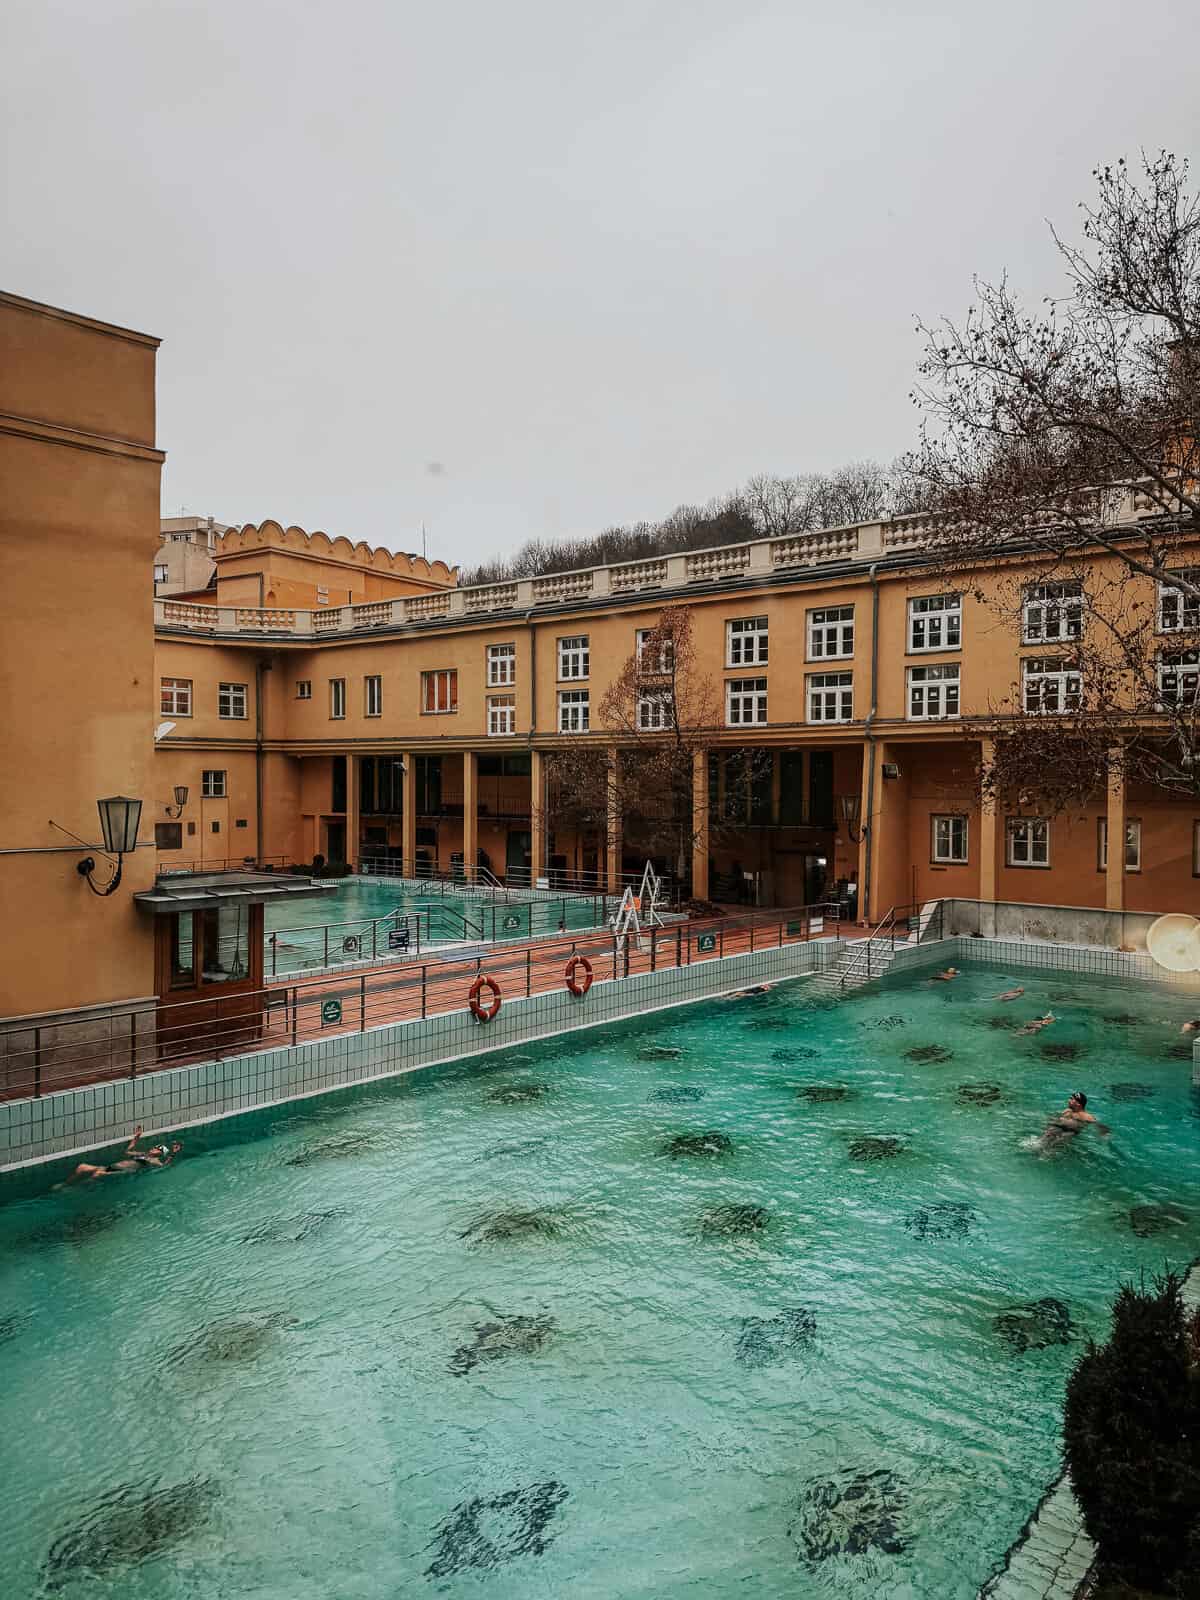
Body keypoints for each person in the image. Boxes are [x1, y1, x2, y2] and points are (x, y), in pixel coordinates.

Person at [68, 1126, 181, 1183]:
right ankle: (66, 1185)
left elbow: (164, 1166)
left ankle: (77, 1188)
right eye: (155, 1147)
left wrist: (173, 1154)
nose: (153, 1149)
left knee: (97, 1174)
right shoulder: (142, 1154)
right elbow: (128, 1151)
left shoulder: (154, 1161)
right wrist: (137, 1137)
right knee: (81, 1167)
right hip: (112, 1166)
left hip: (122, 1171)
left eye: (157, 1149)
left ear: (160, 1154)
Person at [1038, 1091, 1108, 1150]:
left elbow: (1098, 1125)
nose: (1069, 1100)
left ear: (1078, 1104)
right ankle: (1039, 1145)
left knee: (1056, 1143)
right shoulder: (1067, 1111)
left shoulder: (1086, 1116)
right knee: (1050, 1132)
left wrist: (1104, 1135)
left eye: (1071, 1099)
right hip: (1061, 1128)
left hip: (1071, 1132)